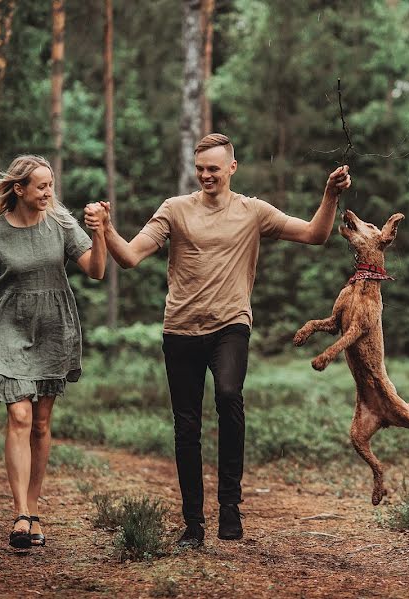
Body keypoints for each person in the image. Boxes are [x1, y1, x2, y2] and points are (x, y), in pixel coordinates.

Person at [83, 133, 350, 546]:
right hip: (181, 329)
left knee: (229, 396)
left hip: (230, 324)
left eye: (214, 168)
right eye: (201, 168)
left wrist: (330, 195)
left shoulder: (253, 211)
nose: (207, 175)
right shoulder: (174, 210)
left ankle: (230, 507)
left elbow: (315, 234)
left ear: (232, 167)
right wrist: (106, 229)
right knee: (187, 427)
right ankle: (194, 523)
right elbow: (130, 257)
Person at [0, 155, 107, 549]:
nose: (48, 192)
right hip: (7, 325)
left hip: (53, 328)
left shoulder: (61, 224)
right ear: (19, 189)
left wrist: (102, 231)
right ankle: (21, 513)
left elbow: (96, 269)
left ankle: (35, 510)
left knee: (41, 423)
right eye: (41, 186)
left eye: (50, 185)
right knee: (19, 414)